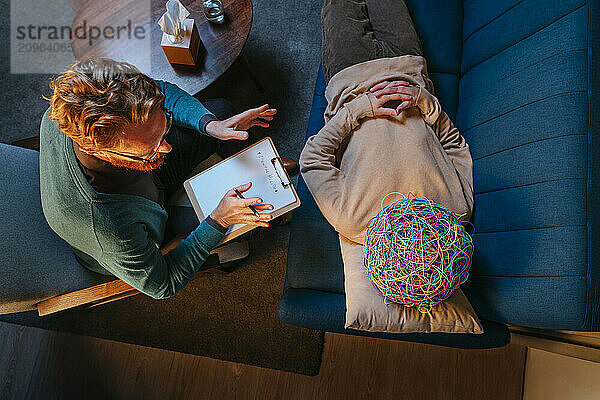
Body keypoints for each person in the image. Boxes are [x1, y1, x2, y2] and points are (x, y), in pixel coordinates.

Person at [41, 56, 278, 299]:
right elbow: (162, 285)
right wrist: (218, 220)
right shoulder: (111, 229)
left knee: (221, 113)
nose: (167, 148)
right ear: (96, 150)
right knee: (247, 216)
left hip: (149, 180)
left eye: (163, 129)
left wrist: (210, 125)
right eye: (150, 148)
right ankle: (229, 250)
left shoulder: (99, 101)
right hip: (144, 227)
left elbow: (161, 91)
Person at [300, 0, 474, 248]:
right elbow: (454, 145)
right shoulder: (455, 212)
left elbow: (312, 157)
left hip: (350, 75)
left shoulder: (352, 221)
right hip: (408, 65)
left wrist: (361, 107)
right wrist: (422, 100)